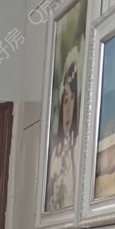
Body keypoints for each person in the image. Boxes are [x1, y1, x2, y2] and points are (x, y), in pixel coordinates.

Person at [46, 56, 80, 212]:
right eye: (65, 101)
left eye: (72, 99)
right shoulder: (55, 155)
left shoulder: (78, 149)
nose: (68, 109)